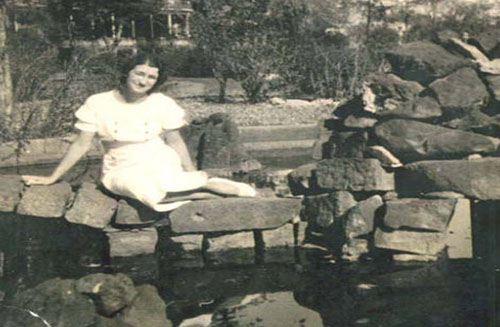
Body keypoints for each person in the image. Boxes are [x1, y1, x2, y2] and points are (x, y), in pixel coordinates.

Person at [22, 52, 256, 211]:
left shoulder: (160, 102)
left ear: (157, 81)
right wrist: (53, 177)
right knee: (138, 188)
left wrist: (191, 171)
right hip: (120, 164)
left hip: (158, 157)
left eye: (151, 77)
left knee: (165, 180)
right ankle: (199, 191)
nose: (144, 81)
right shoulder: (98, 102)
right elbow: (81, 145)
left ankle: (196, 184)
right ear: (127, 73)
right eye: (140, 73)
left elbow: (175, 141)